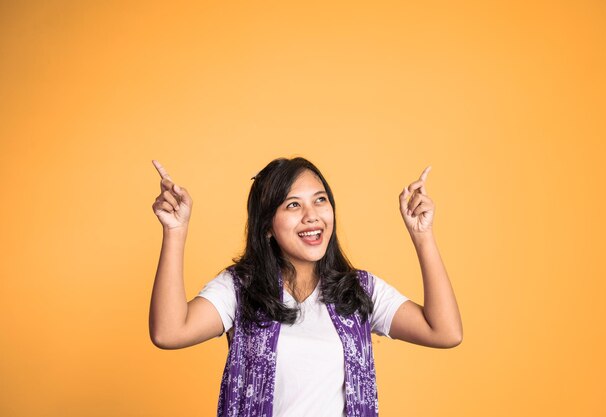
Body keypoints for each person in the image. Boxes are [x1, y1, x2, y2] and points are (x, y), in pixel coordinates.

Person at [148, 157, 462, 417]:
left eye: (320, 200)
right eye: (293, 205)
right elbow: (169, 332)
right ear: (267, 226)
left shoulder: (358, 290)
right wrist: (175, 232)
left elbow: (444, 331)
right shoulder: (240, 288)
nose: (312, 216)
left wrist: (423, 236)